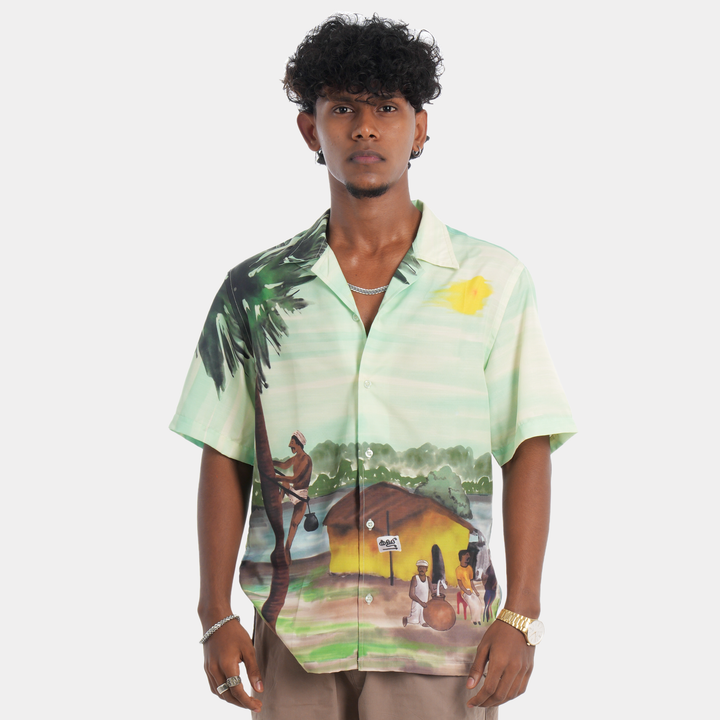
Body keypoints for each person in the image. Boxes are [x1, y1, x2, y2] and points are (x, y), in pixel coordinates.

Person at [170, 13, 576, 719]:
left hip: (445, 656)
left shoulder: (492, 281)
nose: (365, 129)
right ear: (310, 130)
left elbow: (528, 444)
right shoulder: (255, 291)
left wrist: (523, 613)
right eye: (343, 109)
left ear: (420, 129)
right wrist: (213, 613)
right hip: (294, 643)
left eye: (387, 108)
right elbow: (224, 455)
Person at [273, 432, 312, 563]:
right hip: (293, 491)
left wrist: (277, 477)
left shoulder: (306, 459)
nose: (290, 446)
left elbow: (296, 479)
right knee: (284, 483)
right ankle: (278, 503)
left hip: (301, 496)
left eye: (292, 443)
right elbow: (284, 465)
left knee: (294, 524)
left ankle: (287, 550)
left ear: (299, 444)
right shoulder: (295, 458)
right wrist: (270, 463)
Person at [456, 550, 483, 626]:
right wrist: (466, 591)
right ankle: (474, 620)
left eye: (468, 555)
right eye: (466, 555)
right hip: (464, 592)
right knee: (473, 605)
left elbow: (471, 582)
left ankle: (478, 619)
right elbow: (460, 584)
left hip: (470, 591)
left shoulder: (469, 568)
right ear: (461, 557)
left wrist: (476, 591)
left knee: (478, 603)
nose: (468, 557)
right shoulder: (458, 569)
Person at [403, 560, 433, 627]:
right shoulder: (415, 578)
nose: (422, 569)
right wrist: (421, 602)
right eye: (420, 567)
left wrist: (441, 587)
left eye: (424, 568)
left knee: (424, 617)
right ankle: (406, 619)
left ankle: (423, 622)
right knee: (414, 621)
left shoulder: (428, 579)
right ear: (418, 569)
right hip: (417, 602)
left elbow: (433, 591)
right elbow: (411, 594)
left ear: (426, 569)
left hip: (425, 603)